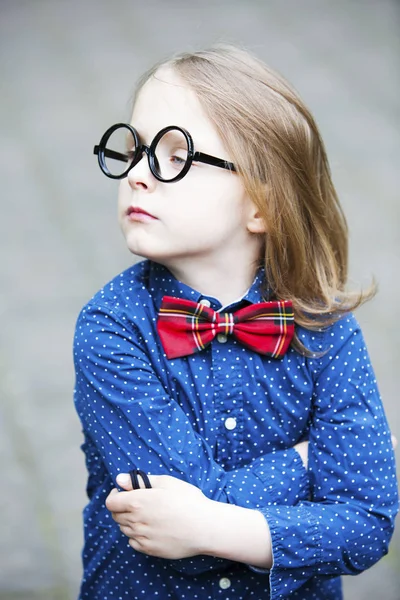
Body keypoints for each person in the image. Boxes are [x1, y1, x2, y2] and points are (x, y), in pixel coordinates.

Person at [73, 45, 399, 600]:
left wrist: (206, 524)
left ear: (262, 205)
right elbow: (174, 535)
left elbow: (368, 524)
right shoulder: (110, 329)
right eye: (135, 150)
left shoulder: (325, 331)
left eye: (175, 157)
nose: (136, 176)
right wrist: (306, 463)